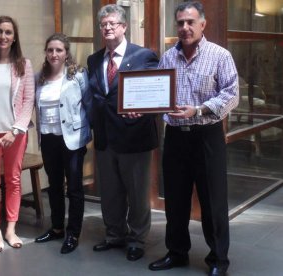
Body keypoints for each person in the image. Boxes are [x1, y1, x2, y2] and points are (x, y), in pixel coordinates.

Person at [148, 2, 239, 276]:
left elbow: (232, 94)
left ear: (203, 23)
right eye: (180, 23)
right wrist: (141, 105)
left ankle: (218, 260)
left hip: (206, 136)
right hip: (175, 136)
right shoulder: (168, 57)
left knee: (213, 201)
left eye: (190, 22)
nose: (184, 28)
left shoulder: (219, 55)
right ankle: (177, 253)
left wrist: (198, 109)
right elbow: (157, 92)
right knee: (175, 200)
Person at [87, 4, 159, 261]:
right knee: (110, 191)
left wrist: (144, 111)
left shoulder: (144, 56)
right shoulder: (94, 60)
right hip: (105, 137)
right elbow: (97, 96)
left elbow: (154, 94)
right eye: (103, 24)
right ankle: (114, 234)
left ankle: (137, 239)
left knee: (137, 192)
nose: (107, 28)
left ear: (124, 27)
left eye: (112, 24)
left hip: (134, 136)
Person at [0, 16, 35, 252]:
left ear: (14, 38)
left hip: (16, 134)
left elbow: (28, 100)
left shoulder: (24, 64)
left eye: (8, 33)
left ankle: (11, 229)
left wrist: (16, 129)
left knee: (13, 181)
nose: (4, 36)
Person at [34, 33, 92, 254]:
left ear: (66, 53)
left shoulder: (77, 76)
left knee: (75, 187)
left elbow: (88, 104)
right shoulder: (39, 77)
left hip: (72, 140)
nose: (54, 54)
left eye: (59, 50)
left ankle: (73, 233)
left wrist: (89, 134)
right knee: (54, 185)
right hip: (48, 138)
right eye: (50, 50)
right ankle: (57, 228)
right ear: (46, 53)